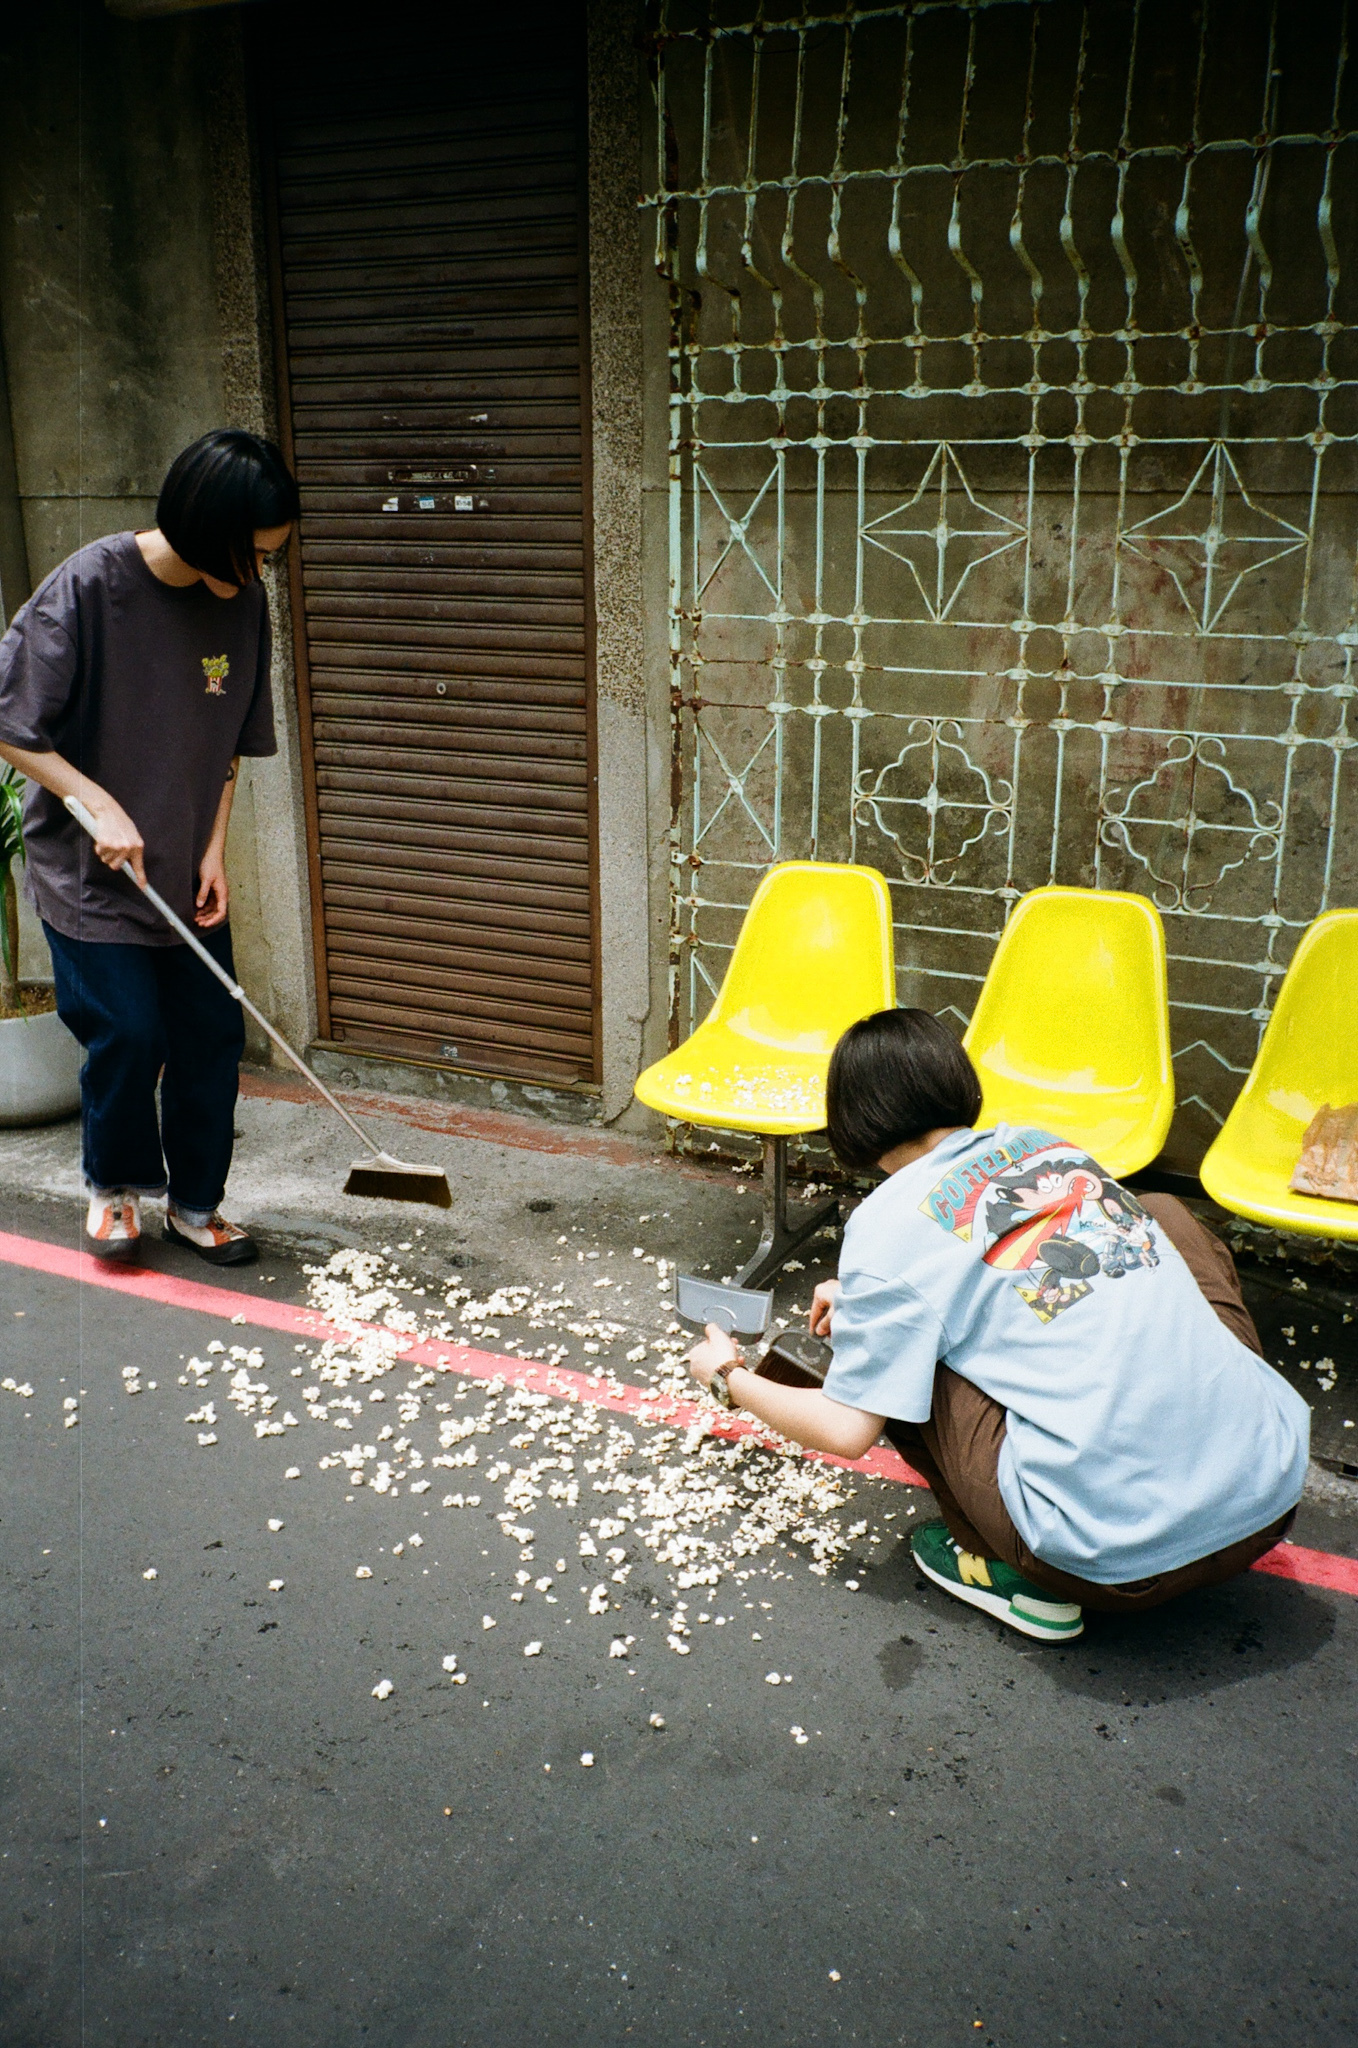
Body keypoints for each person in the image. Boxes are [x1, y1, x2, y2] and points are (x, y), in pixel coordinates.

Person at [687, 1007, 1310, 1642]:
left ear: (851, 1122)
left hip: (1117, 1569)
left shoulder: (884, 1223)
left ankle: (1004, 1572)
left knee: (911, 1363)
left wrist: (729, 1377)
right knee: (1162, 1216)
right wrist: (868, 1298)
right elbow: (1024, 1270)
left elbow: (847, 1431)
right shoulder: (1047, 1146)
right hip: (1267, 1504)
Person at [0, 429, 300, 1264]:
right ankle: (115, 1189)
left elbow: (231, 739)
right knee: (129, 1035)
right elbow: (9, 719)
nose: (263, 573)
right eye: (257, 555)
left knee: (209, 1036)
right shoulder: (91, 586)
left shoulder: (243, 601)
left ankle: (196, 1202)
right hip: (94, 871)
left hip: (181, 864)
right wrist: (91, 797)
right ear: (211, 534)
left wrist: (214, 848)